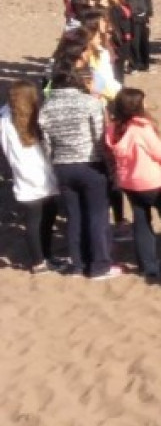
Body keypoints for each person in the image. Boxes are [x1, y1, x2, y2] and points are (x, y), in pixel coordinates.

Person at [41, 60, 119, 280]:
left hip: (62, 166)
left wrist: (55, 162)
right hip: (89, 163)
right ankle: (99, 265)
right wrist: (108, 164)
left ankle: (78, 264)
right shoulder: (89, 103)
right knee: (97, 216)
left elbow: (46, 142)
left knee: (74, 217)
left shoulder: (47, 106)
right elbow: (99, 137)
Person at [105, 88, 161, 277]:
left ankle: (148, 265)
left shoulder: (113, 128)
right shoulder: (141, 128)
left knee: (141, 220)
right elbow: (158, 152)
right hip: (151, 182)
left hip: (128, 181)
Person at [1, 80, 63, 273]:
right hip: (39, 174)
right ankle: (41, 258)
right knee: (41, 219)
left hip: (27, 175)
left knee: (39, 218)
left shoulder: (7, 118)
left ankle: (43, 257)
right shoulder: (33, 119)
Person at [117, 0, 154, 73]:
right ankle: (134, 65)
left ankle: (145, 64)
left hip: (143, 15)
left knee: (144, 40)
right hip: (131, 16)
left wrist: (149, 12)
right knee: (134, 42)